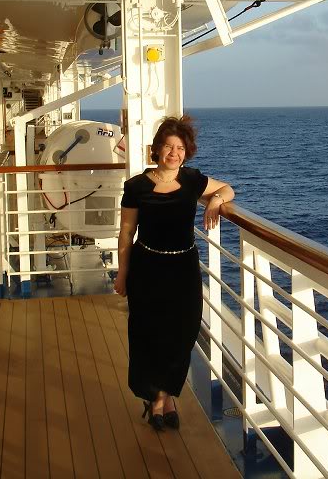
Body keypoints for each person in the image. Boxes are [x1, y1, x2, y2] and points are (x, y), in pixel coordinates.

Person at [115, 115, 234, 431]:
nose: (174, 153)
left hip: (183, 268)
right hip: (147, 267)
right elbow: (127, 232)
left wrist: (216, 200)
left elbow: (226, 188)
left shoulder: (193, 181)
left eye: (180, 147)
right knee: (148, 335)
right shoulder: (137, 186)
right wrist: (122, 274)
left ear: (187, 151)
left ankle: (165, 393)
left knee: (183, 331)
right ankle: (159, 400)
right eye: (168, 146)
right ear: (156, 149)